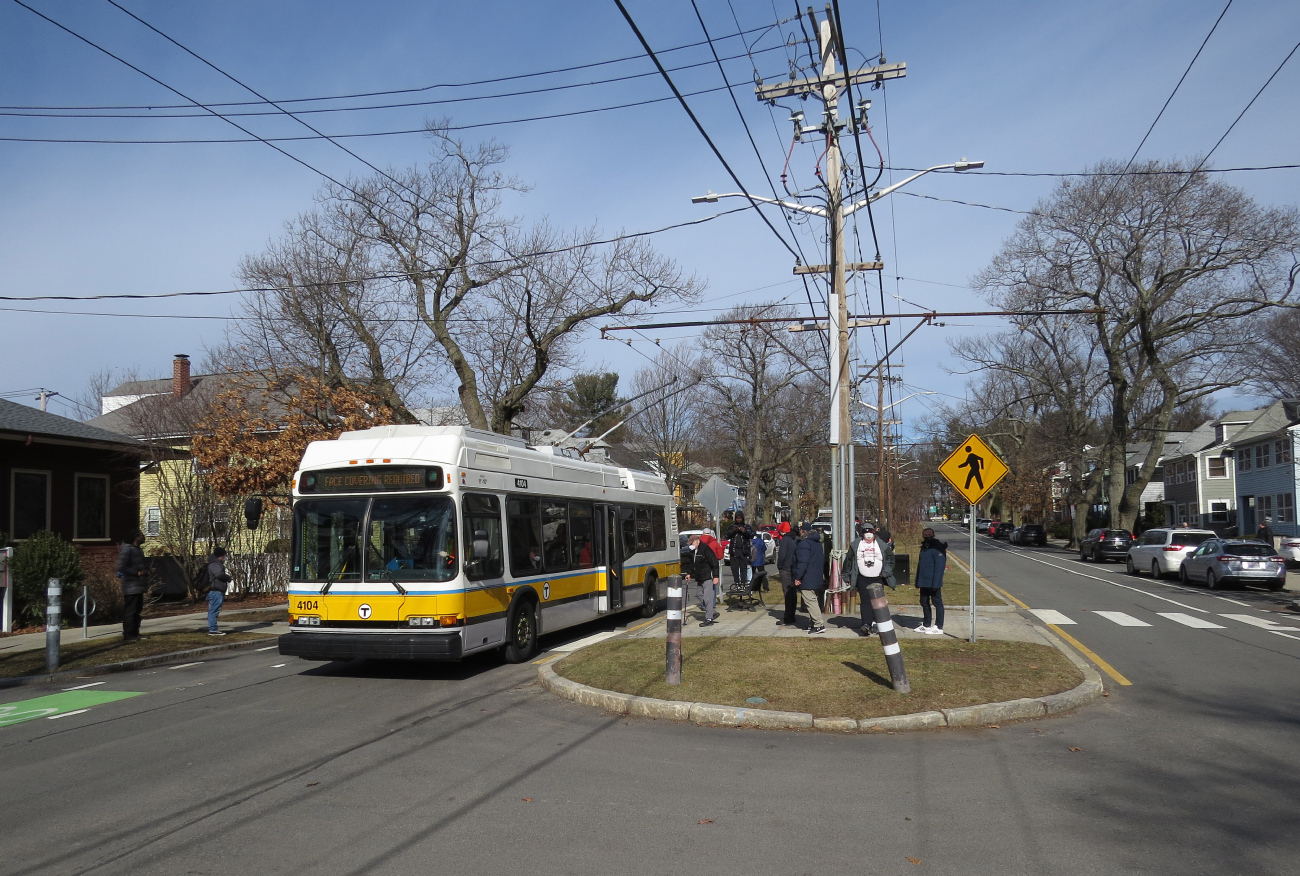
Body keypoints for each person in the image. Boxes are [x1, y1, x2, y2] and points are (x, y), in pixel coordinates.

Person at [852, 526, 893, 636]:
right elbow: (849, 561)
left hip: (877, 577)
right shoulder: (856, 545)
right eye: (865, 533)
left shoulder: (882, 545)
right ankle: (866, 624)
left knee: (877, 601)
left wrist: (885, 573)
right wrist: (847, 576)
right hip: (862, 577)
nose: (868, 536)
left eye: (870, 533)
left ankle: (877, 623)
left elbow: (891, 559)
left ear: (874, 533)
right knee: (865, 601)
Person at [792, 522, 827, 635]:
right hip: (816, 575)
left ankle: (818, 624)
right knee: (813, 600)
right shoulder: (817, 543)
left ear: (803, 531)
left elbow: (803, 562)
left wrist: (798, 577)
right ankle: (812, 623)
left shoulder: (804, 544)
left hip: (808, 576)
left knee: (810, 600)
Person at [684, 533, 721, 626]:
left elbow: (714, 563)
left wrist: (716, 576)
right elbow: (693, 564)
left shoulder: (705, 549)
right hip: (699, 577)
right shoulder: (693, 551)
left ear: (697, 542)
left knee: (708, 598)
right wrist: (689, 573)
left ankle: (709, 619)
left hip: (707, 576)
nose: (690, 545)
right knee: (699, 594)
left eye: (691, 543)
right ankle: (712, 611)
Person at [116, 531, 148, 640]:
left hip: (139, 585)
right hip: (130, 586)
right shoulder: (127, 550)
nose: (144, 537)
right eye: (141, 535)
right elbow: (121, 567)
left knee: (137, 610)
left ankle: (135, 633)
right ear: (136, 537)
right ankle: (128, 634)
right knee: (131, 610)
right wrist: (137, 573)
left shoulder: (138, 550)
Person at [915, 532, 948, 635]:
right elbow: (920, 566)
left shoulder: (938, 549)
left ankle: (938, 626)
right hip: (924, 581)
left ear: (933, 536)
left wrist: (936, 584)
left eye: (929, 536)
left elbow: (939, 568)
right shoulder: (924, 548)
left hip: (933, 581)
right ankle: (926, 624)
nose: (927, 538)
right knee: (924, 602)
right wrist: (918, 581)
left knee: (937, 603)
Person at [776, 521, 800, 627]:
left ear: (781, 531)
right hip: (793, 568)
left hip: (786, 569)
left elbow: (781, 556)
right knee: (792, 593)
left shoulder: (785, 540)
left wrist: (780, 566)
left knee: (787, 593)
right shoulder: (794, 538)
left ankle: (788, 617)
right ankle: (792, 615)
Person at [205, 547, 233, 636]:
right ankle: (213, 629)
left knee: (214, 610)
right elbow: (219, 574)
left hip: (216, 590)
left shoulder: (214, 563)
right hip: (215, 590)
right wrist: (227, 578)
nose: (224, 557)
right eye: (223, 556)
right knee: (214, 610)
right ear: (220, 556)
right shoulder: (215, 564)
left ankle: (213, 628)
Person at [726, 514, 753, 590]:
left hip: (743, 550)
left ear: (742, 518)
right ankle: (737, 583)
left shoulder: (746, 526)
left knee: (743, 568)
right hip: (734, 551)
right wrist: (733, 531)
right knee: (734, 568)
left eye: (740, 518)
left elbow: (751, 535)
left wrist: (744, 531)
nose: (738, 519)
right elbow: (726, 536)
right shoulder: (732, 527)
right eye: (737, 518)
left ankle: (743, 584)